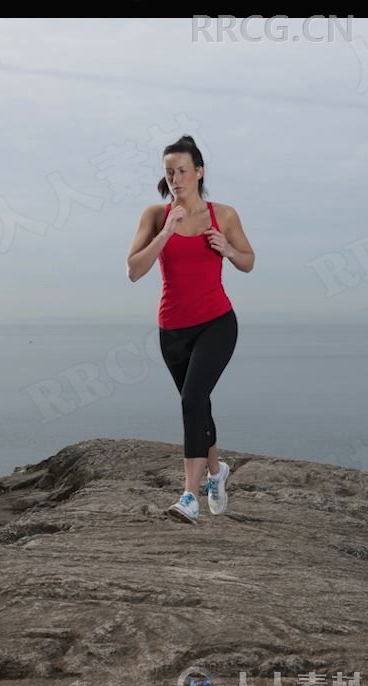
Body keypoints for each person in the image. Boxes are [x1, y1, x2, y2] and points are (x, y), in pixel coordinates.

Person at [125, 135, 256, 523]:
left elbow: (248, 261)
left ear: (198, 172)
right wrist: (165, 233)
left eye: (182, 171)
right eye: (169, 173)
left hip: (217, 323)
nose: (176, 179)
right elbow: (133, 270)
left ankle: (189, 496)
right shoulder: (154, 215)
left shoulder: (224, 215)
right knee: (198, 405)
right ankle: (217, 473)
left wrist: (228, 250)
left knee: (191, 399)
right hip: (172, 331)